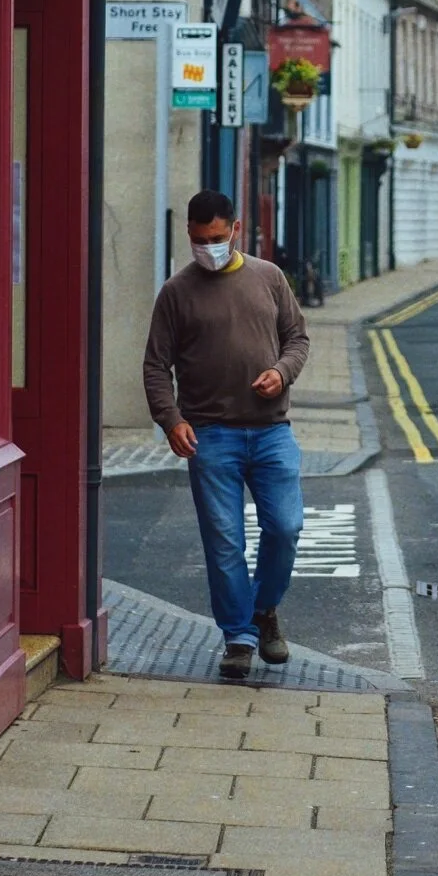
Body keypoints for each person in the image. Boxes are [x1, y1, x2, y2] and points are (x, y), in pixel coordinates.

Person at [142, 189, 313, 680]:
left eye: (216, 238)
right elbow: (156, 365)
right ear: (189, 235)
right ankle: (238, 636)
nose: (208, 249)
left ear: (235, 230)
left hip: (270, 431)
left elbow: (297, 338)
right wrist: (170, 419)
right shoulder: (176, 292)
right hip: (211, 434)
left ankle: (264, 609)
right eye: (199, 241)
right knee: (224, 542)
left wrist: (282, 372)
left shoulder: (269, 277)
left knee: (286, 527)